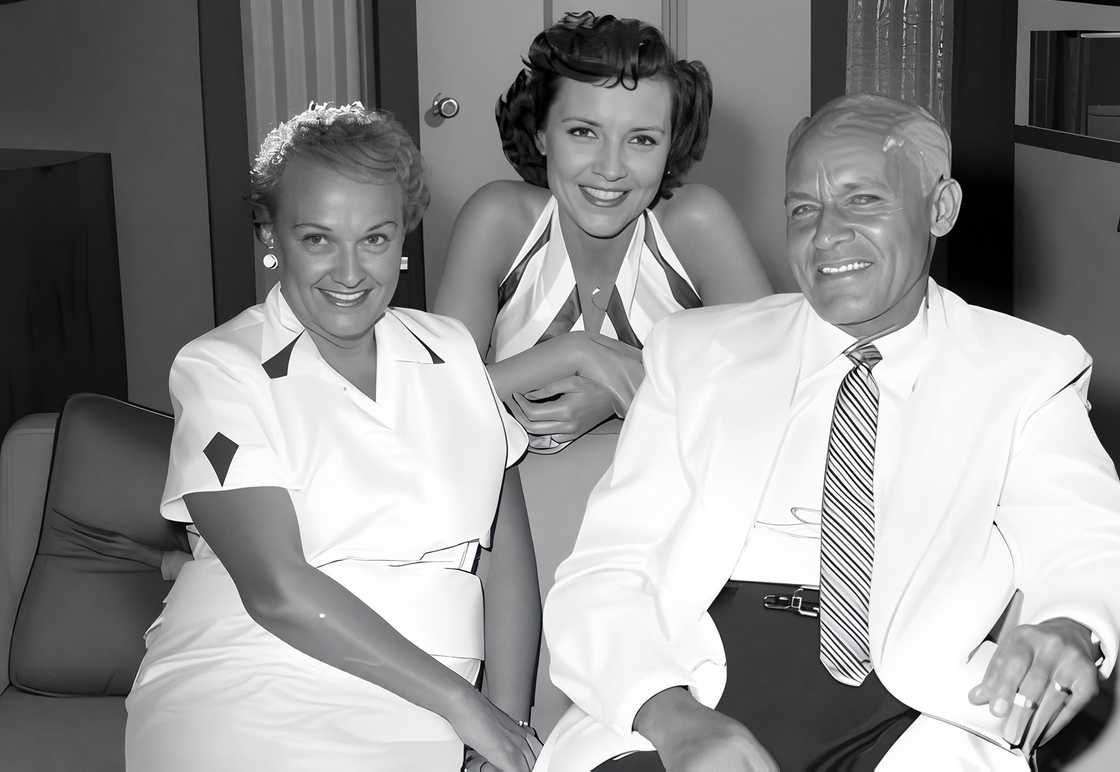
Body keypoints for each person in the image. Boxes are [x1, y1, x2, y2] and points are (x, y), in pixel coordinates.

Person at [536, 93, 1120, 771]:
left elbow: (1084, 539)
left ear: (941, 209)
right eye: (803, 210)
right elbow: (606, 571)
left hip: (912, 705)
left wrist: (1072, 626)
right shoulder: (695, 353)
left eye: (863, 200)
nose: (826, 235)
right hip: (694, 682)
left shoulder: (1024, 371)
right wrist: (674, 719)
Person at [125, 103, 542, 772]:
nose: (350, 273)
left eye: (374, 238)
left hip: (422, 702)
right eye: (318, 239)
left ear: (403, 237)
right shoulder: (220, 369)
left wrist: (508, 725)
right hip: (246, 679)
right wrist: (468, 709)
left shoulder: (455, 355)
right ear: (271, 235)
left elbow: (506, 563)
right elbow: (277, 589)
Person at [433, 11, 771, 734]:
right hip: (507, 535)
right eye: (584, 131)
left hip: (659, 533)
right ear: (540, 133)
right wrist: (578, 353)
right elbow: (429, 400)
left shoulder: (695, 223)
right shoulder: (499, 219)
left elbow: (775, 389)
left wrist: (627, 393)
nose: (611, 168)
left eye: (641, 139)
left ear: (671, 145)